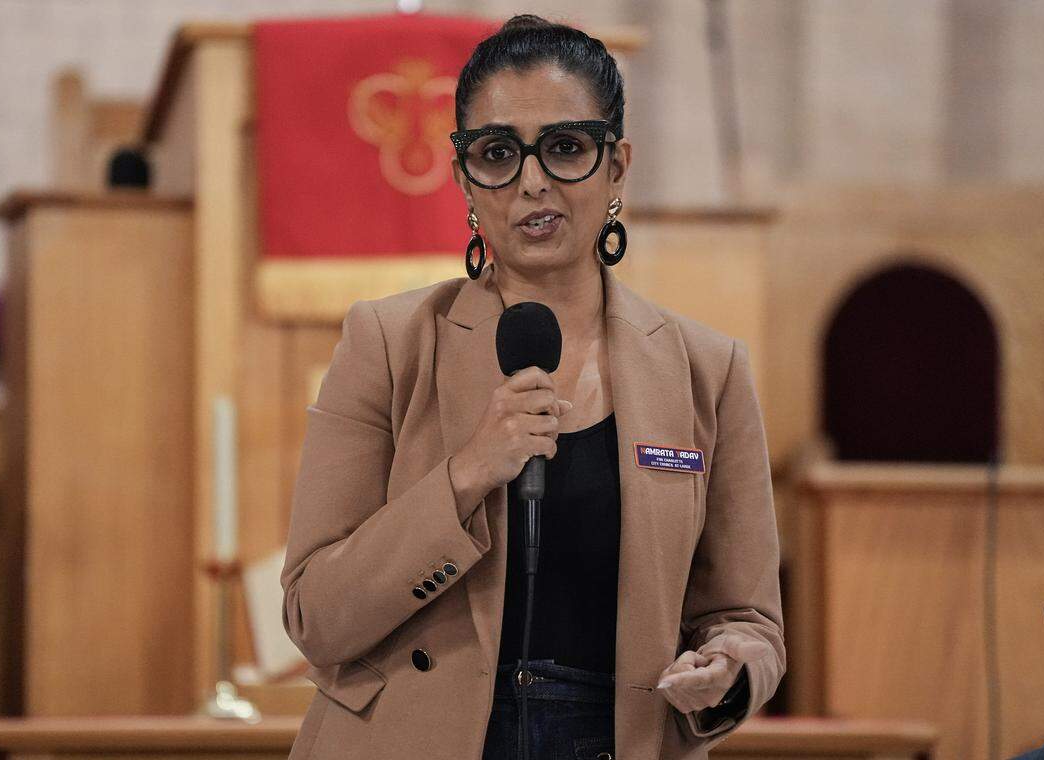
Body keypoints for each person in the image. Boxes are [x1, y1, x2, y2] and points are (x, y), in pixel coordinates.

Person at [279, 14, 785, 760]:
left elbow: (748, 620)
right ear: (463, 175)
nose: (532, 181)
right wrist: (466, 474)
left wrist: (728, 670)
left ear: (617, 165)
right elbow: (315, 615)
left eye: (565, 147)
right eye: (497, 153)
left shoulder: (709, 371)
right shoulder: (386, 344)